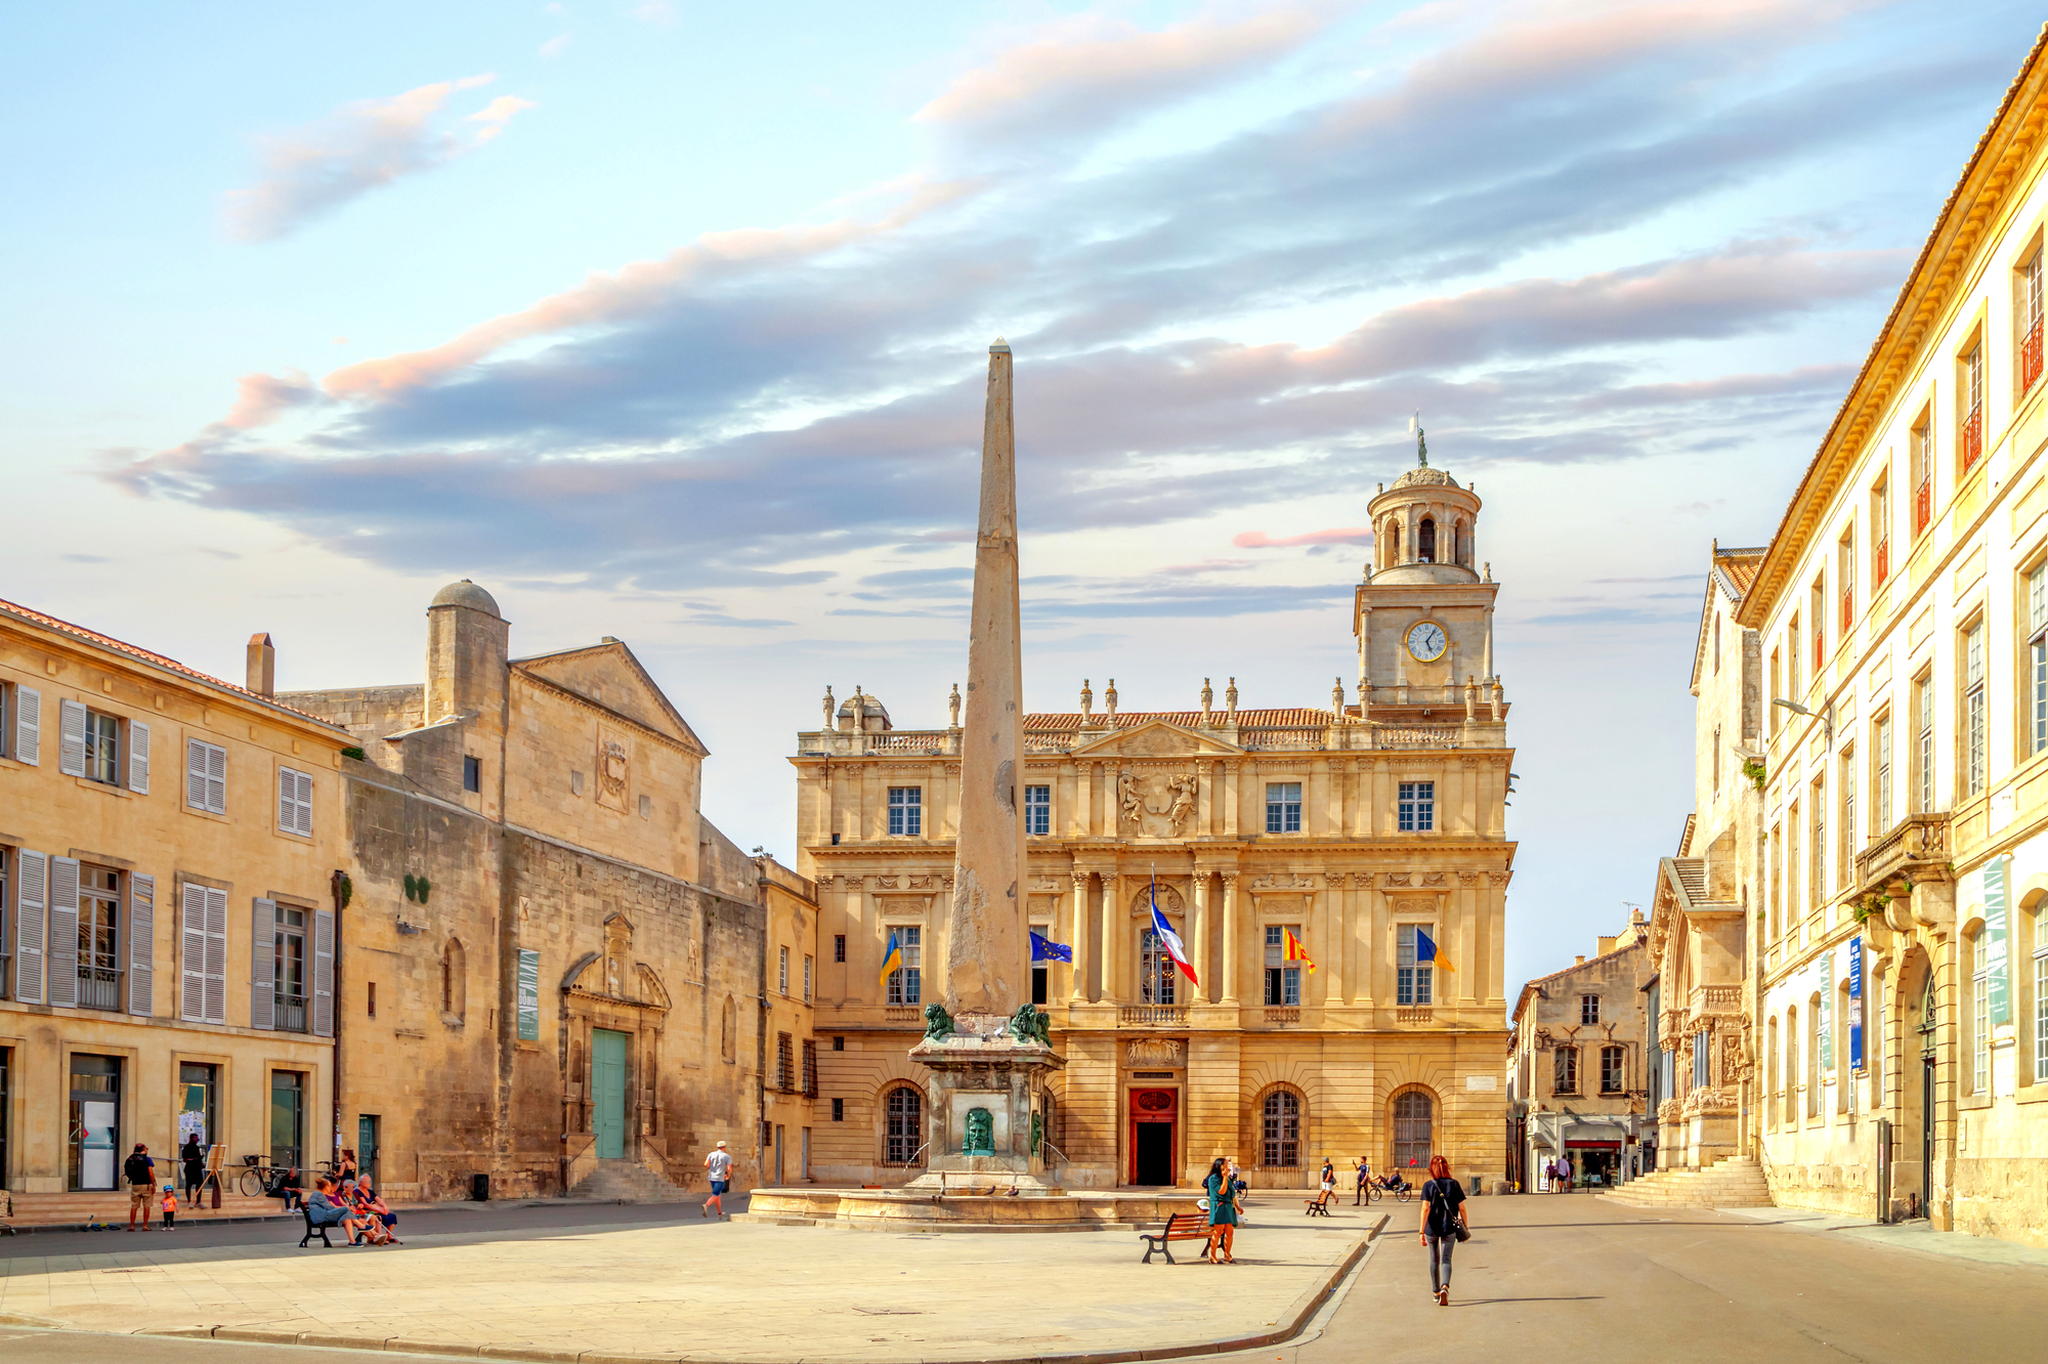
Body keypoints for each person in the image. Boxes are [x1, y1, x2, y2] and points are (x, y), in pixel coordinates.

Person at [1418, 1154, 1468, 1307]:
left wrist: (1421, 1231)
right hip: (1449, 1228)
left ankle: (1436, 1292)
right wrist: (1465, 1228)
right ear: (1446, 1167)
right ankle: (1445, 1286)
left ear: (1431, 1168)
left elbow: (1425, 1209)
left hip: (1431, 1228)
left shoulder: (1428, 1185)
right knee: (1446, 1259)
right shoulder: (1454, 1184)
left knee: (1434, 1259)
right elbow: (1462, 1208)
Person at [304, 1176, 367, 1245]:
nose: (330, 1188)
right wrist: (343, 1209)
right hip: (321, 1217)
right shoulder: (319, 1194)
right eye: (330, 1186)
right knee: (346, 1209)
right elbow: (330, 1208)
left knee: (347, 1218)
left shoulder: (318, 1194)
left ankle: (352, 1241)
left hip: (322, 1215)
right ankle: (360, 1225)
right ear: (326, 1187)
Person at [1203, 1157, 1238, 1263]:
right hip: (1219, 1206)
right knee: (1218, 1232)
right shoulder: (1213, 1179)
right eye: (1226, 1164)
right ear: (1220, 1166)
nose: (1228, 1167)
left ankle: (1227, 1255)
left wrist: (1238, 1206)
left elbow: (1232, 1193)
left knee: (1230, 1232)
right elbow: (1222, 1191)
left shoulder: (1227, 1178)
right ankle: (1213, 1256)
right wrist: (1225, 1177)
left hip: (1228, 1206)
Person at [124, 1144, 156, 1231]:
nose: (147, 1150)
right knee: (147, 1206)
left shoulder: (131, 1158)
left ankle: (132, 1226)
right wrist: (153, 1185)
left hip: (135, 1184)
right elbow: (150, 1173)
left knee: (134, 1206)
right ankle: (145, 1226)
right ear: (143, 1149)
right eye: (146, 1148)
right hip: (146, 1185)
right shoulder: (147, 1159)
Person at [702, 1139, 733, 1219]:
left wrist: (712, 1169)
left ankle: (719, 1213)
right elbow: (729, 1168)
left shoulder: (711, 1154)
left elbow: (706, 1164)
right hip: (719, 1178)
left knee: (717, 1196)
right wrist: (728, 1175)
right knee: (715, 1195)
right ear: (724, 1147)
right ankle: (706, 1205)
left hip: (712, 1177)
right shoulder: (727, 1156)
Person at [180, 1134, 206, 1202]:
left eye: (197, 1139)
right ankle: (189, 1200)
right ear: (191, 1139)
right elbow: (184, 1159)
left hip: (197, 1169)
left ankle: (198, 1201)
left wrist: (201, 1162)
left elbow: (199, 1158)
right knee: (188, 1185)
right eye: (195, 1139)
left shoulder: (197, 1148)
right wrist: (194, 1159)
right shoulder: (186, 1148)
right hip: (190, 1169)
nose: (196, 1140)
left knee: (199, 1184)